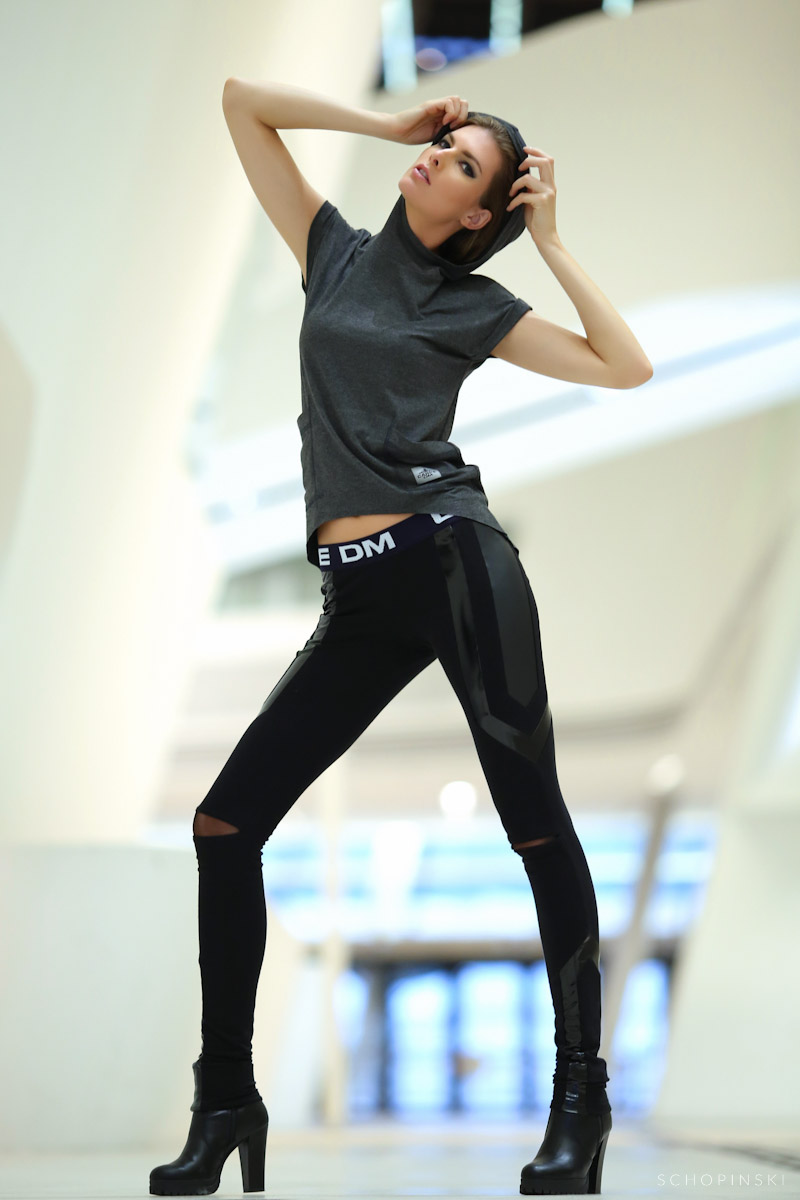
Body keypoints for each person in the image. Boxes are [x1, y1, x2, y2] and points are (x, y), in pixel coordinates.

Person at [150, 81, 652, 1198]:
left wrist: (551, 242)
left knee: (534, 823)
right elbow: (241, 105)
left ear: (478, 215)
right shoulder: (333, 251)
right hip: (356, 595)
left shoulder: (470, 304)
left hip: (453, 562)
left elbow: (625, 367)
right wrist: (390, 125)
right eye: (447, 144)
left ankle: (581, 1102)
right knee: (225, 824)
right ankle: (225, 1100)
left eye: (464, 164)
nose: (440, 157)